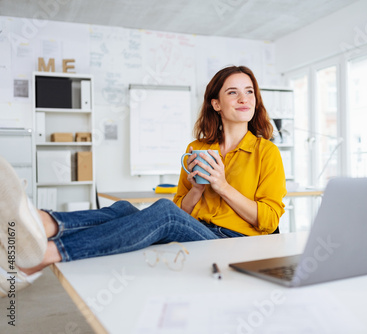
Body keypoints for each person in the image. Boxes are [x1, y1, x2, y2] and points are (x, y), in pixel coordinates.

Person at [0, 65, 287, 297]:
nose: (244, 98)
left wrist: (223, 187)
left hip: (233, 243)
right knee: (125, 208)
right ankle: (42, 221)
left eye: (249, 92)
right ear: (216, 104)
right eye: (233, 92)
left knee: (163, 213)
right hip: (197, 229)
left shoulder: (266, 152)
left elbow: (269, 221)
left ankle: (45, 254)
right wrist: (197, 190)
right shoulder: (197, 149)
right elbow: (182, 210)